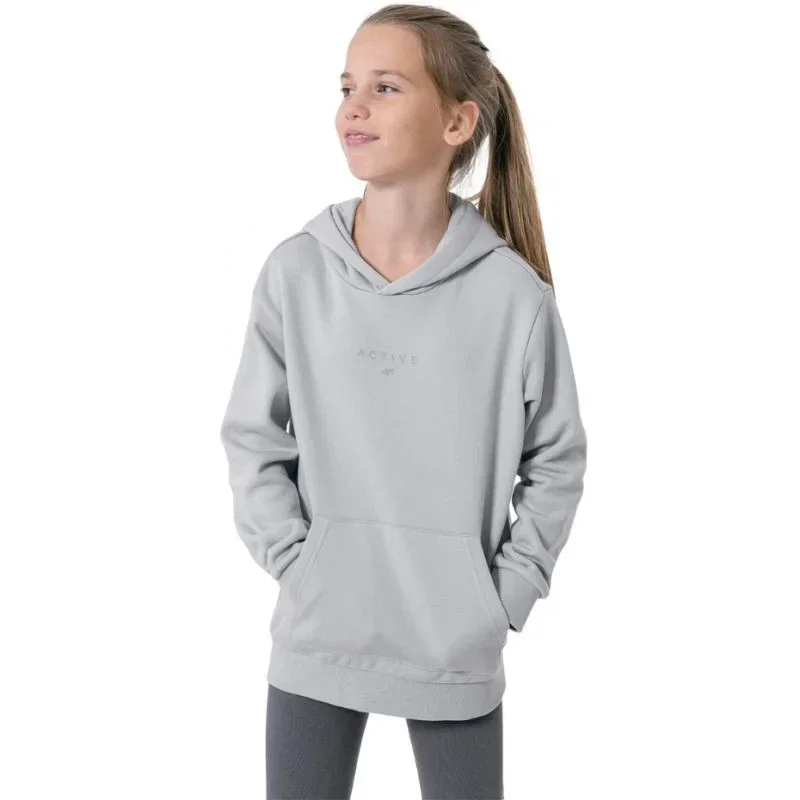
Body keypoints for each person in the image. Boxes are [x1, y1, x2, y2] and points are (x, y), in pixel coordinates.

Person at [219, 4, 588, 798]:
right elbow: (252, 436)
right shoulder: (295, 273)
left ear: (458, 121)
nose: (354, 107)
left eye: (385, 87)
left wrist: (504, 596)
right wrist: (299, 565)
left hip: (454, 645)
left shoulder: (513, 298)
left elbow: (557, 459)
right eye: (347, 86)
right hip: (319, 637)